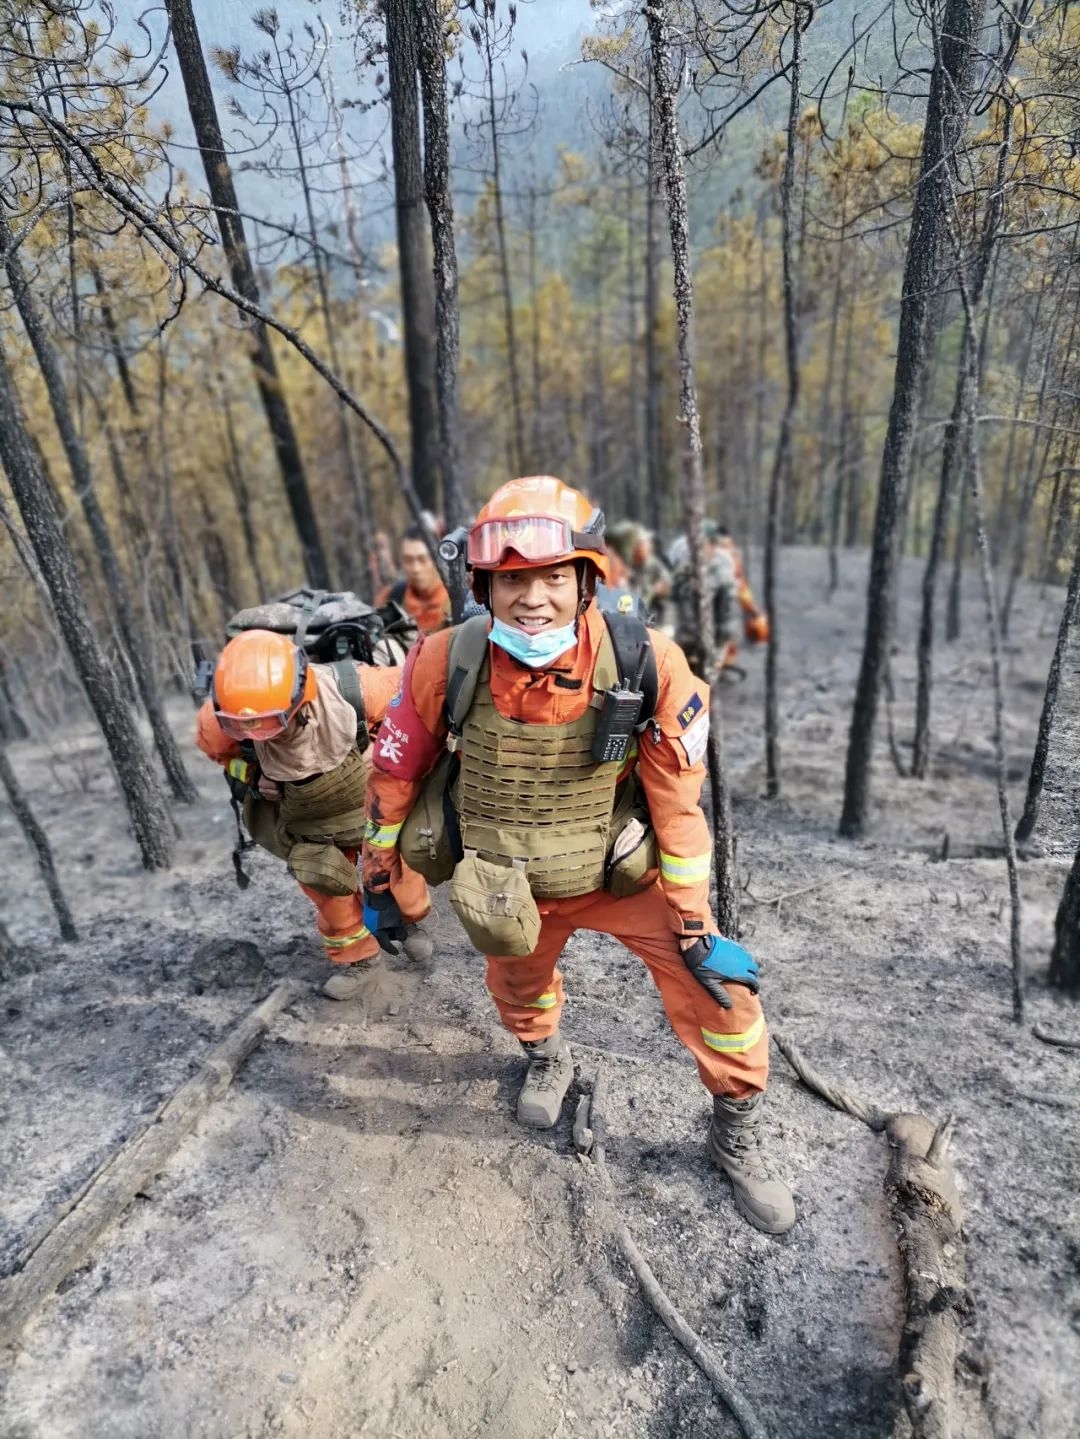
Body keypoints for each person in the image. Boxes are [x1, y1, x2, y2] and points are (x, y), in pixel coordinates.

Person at [362, 477, 794, 1234]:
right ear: (485, 585)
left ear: (589, 578)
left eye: (554, 576)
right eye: (514, 579)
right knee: (518, 984)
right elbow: (396, 773)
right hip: (506, 880)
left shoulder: (647, 664)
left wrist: (694, 919)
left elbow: (676, 798)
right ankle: (545, 1056)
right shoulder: (445, 662)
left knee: (722, 1000)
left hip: (613, 869)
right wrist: (378, 873)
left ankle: (736, 1126)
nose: (533, 598)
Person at [196, 629, 432, 999]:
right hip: (307, 823)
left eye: (271, 722)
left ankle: (408, 924)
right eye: (241, 726)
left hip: (368, 802)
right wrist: (254, 777)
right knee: (325, 884)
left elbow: (416, 705)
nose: (257, 735)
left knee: (397, 871)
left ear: (300, 697)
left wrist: (386, 748)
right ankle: (359, 960)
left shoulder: (360, 691)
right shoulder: (217, 723)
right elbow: (220, 755)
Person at [672, 522, 769, 675]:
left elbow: (730, 605)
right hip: (689, 636)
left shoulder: (723, 565)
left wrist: (751, 610)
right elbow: (678, 602)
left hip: (716, 632)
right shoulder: (685, 567)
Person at [377, 524, 452, 636]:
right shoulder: (390, 599)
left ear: (436, 559)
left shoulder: (457, 599)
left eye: (422, 559)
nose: (416, 569)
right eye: (408, 560)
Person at [607, 519, 672, 630]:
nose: (649, 546)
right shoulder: (617, 570)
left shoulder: (652, 565)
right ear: (634, 547)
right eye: (644, 542)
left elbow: (667, 586)